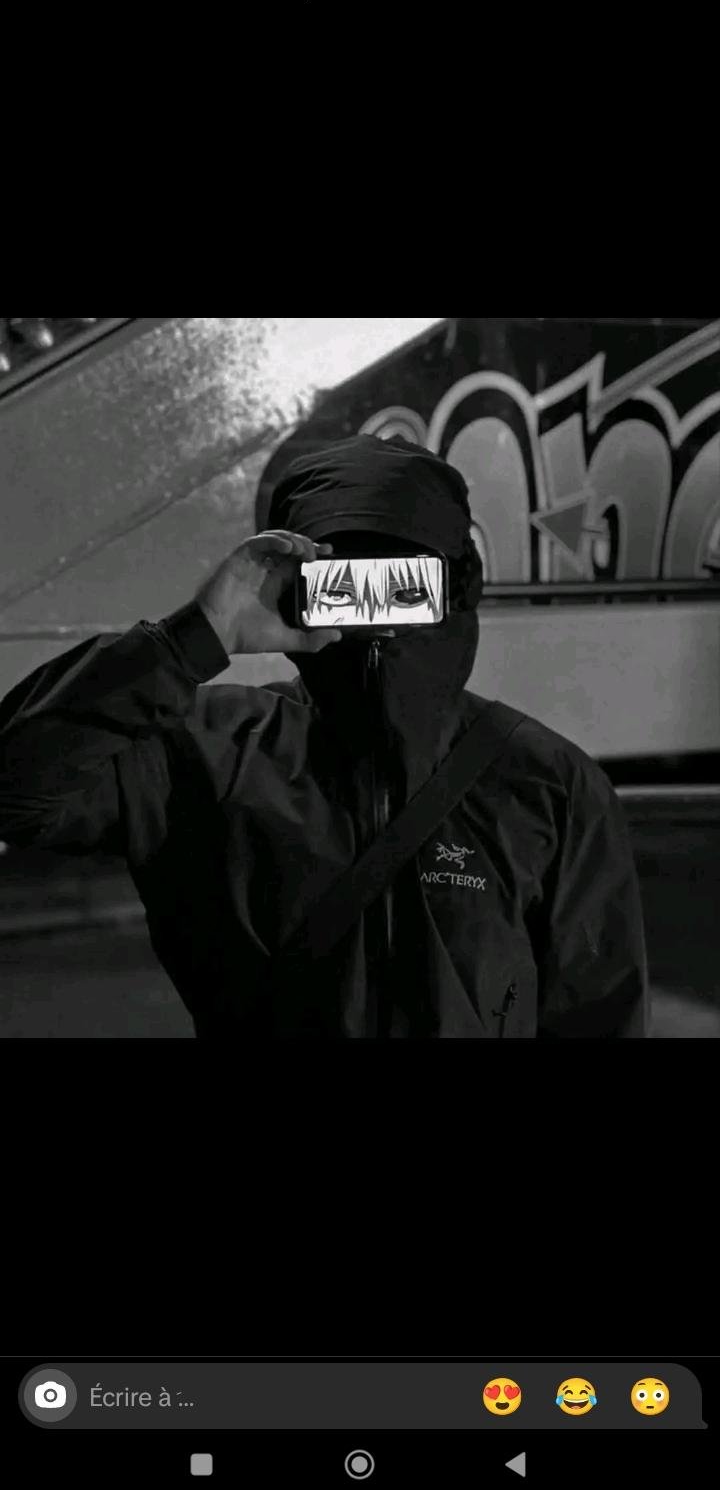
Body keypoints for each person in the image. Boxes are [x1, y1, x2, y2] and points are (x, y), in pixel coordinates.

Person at [0, 434, 649, 1038]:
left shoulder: (548, 783)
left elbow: (598, 1016)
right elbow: (14, 791)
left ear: (458, 584)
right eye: (343, 579)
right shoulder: (208, 749)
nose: (374, 607)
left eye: (402, 579)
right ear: (296, 583)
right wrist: (199, 634)